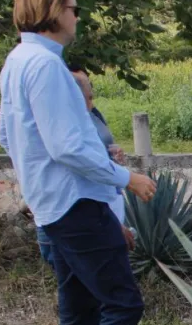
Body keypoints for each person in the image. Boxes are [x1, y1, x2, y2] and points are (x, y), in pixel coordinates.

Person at [0, 0, 156, 325]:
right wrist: (126, 178)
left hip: (50, 204)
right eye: (73, 7)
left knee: (77, 305)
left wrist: (35, 178)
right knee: (123, 304)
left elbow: (9, 136)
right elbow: (67, 147)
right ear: (52, 10)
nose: (76, 16)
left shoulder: (16, 61)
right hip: (76, 202)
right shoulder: (47, 67)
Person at [36, 69, 133, 266]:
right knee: (113, 290)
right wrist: (129, 180)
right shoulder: (60, 131)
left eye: (91, 97)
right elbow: (82, 170)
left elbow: (98, 153)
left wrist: (111, 155)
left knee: (78, 290)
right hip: (76, 215)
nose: (91, 104)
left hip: (99, 206)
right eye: (86, 98)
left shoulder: (92, 115)